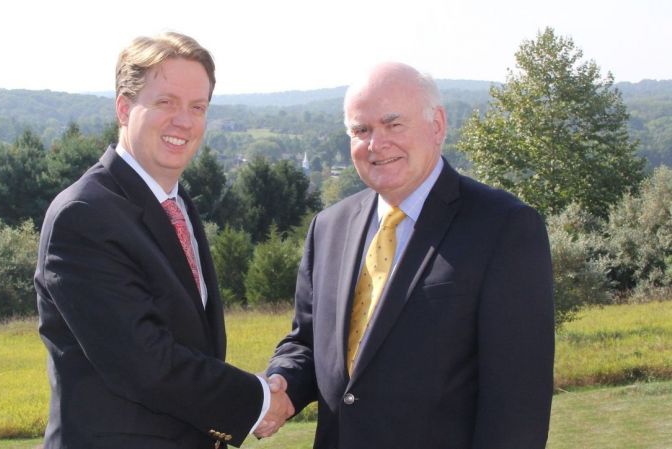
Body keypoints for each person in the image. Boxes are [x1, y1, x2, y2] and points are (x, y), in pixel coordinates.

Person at [265, 62, 555, 449]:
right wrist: (281, 384)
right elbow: (308, 342)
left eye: (393, 124)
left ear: (437, 125)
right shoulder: (329, 228)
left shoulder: (503, 228)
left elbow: (518, 405)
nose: (376, 144)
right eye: (361, 130)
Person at [35, 32, 293, 449]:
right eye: (166, 102)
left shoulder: (178, 204)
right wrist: (259, 400)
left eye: (197, 107)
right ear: (124, 108)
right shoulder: (84, 215)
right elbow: (145, 363)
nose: (184, 121)